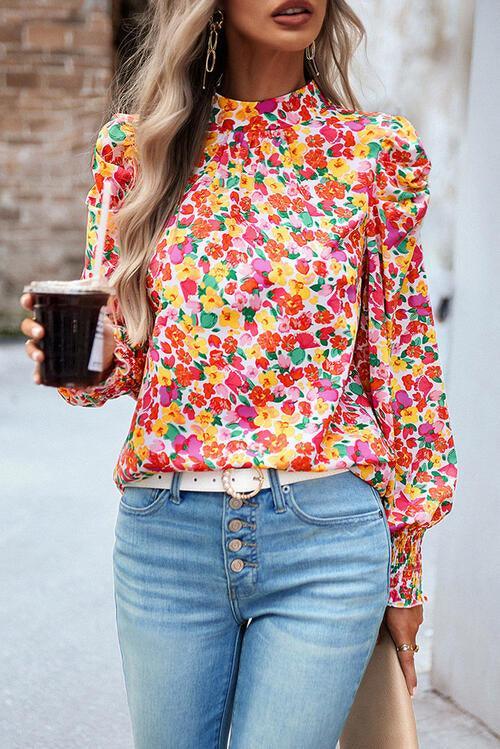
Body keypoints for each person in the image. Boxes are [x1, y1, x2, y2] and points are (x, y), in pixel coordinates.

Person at [20, 1, 458, 747]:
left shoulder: (368, 154)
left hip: (325, 535)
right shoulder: (138, 151)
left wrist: (404, 576)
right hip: (167, 540)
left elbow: (403, 371)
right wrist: (70, 355)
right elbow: (119, 365)